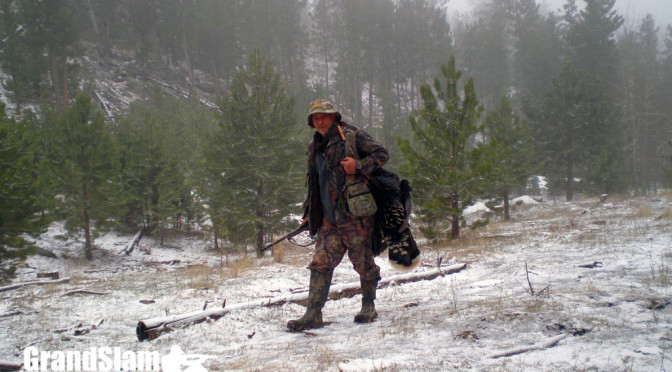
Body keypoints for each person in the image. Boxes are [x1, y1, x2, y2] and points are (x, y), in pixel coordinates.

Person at [287, 99, 389, 332]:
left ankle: (368, 306)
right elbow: (315, 183)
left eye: (324, 116)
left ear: (334, 116)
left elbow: (382, 154)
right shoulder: (314, 145)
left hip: (356, 215)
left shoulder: (352, 135)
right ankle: (313, 314)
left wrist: (359, 165)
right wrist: (308, 213)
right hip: (328, 220)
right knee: (320, 265)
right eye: (315, 117)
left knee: (363, 263)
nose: (319, 120)